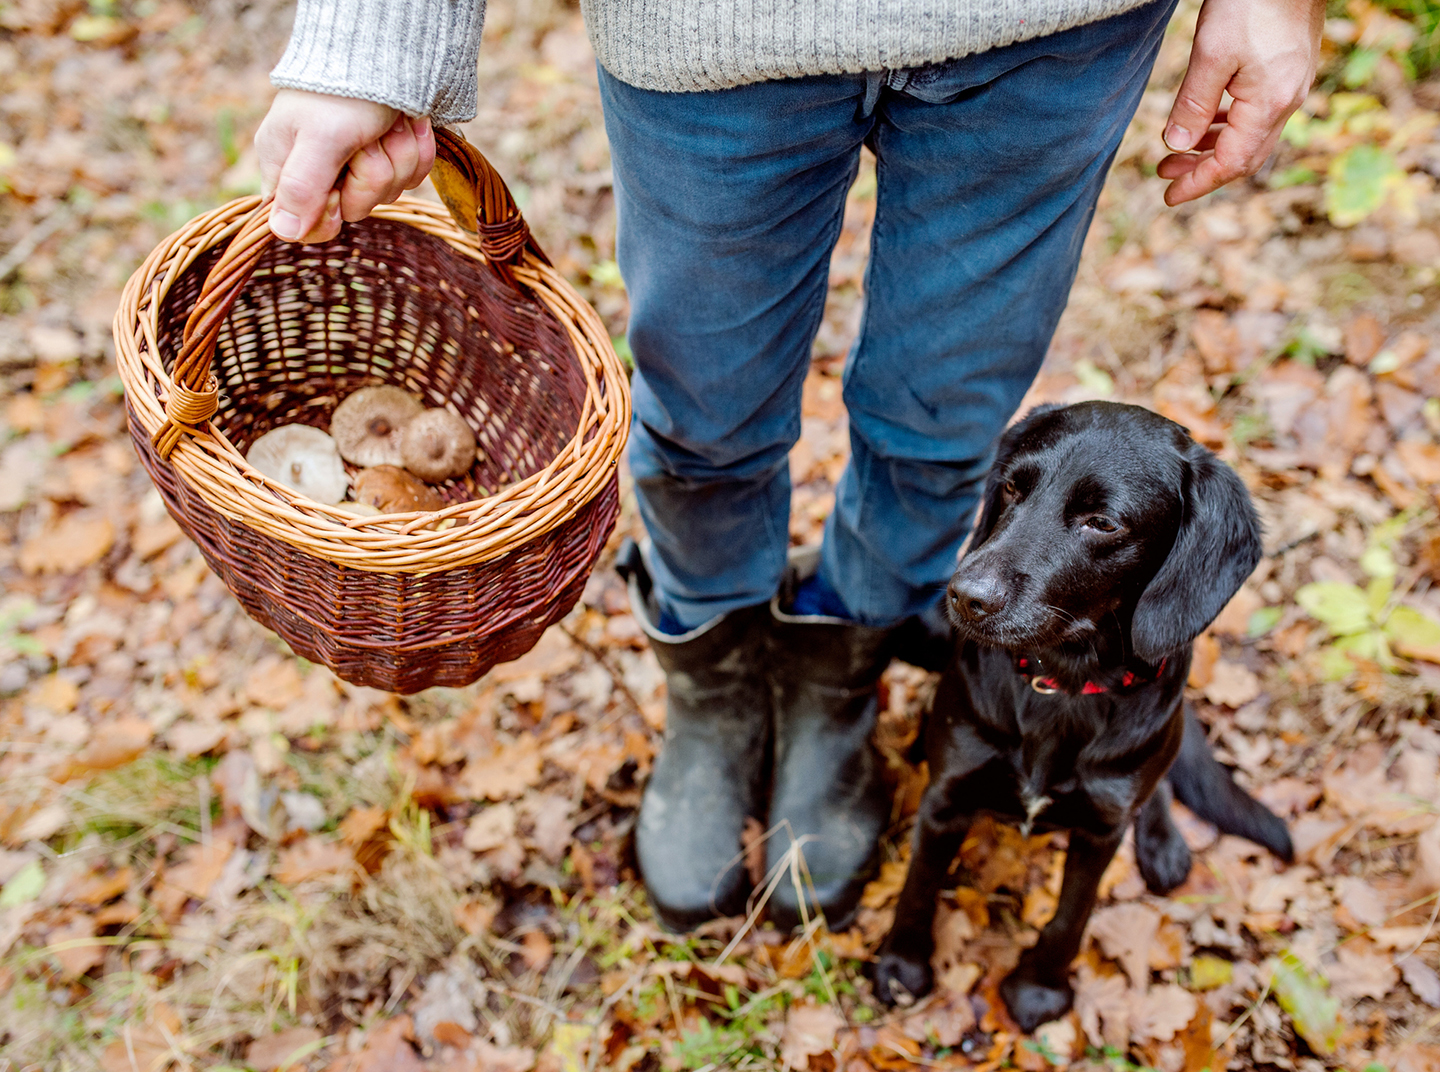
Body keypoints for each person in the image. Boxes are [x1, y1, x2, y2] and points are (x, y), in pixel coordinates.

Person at [257, 0, 1323, 934]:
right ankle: (716, 688)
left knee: (943, 428)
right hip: (708, 33)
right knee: (706, 420)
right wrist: (374, 44)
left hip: (1049, 35)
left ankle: (838, 680)